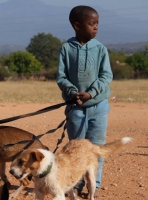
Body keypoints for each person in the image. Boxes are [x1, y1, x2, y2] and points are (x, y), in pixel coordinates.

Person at [56, 5, 113, 198]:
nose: (96, 27)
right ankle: (76, 184)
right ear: (77, 25)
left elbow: (106, 75)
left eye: (97, 24)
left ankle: (93, 186)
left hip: (99, 106)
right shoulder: (66, 48)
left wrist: (91, 93)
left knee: (96, 147)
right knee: (76, 149)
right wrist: (72, 92)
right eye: (92, 24)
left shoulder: (100, 49)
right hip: (76, 109)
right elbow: (61, 77)